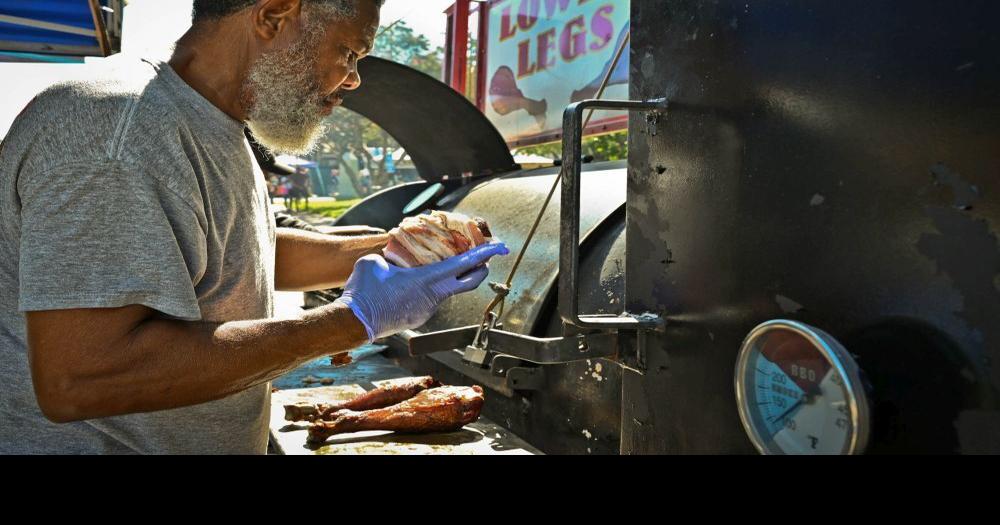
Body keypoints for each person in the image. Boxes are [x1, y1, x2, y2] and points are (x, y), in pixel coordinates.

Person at [0, 0, 508, 454]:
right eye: (350, 52)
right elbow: (84, 378)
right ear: (273, 15)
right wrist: (353, 320)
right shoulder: (116, 133)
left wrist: (405, 245)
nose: (353, 79)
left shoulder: (214, 124)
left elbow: (242, 252)